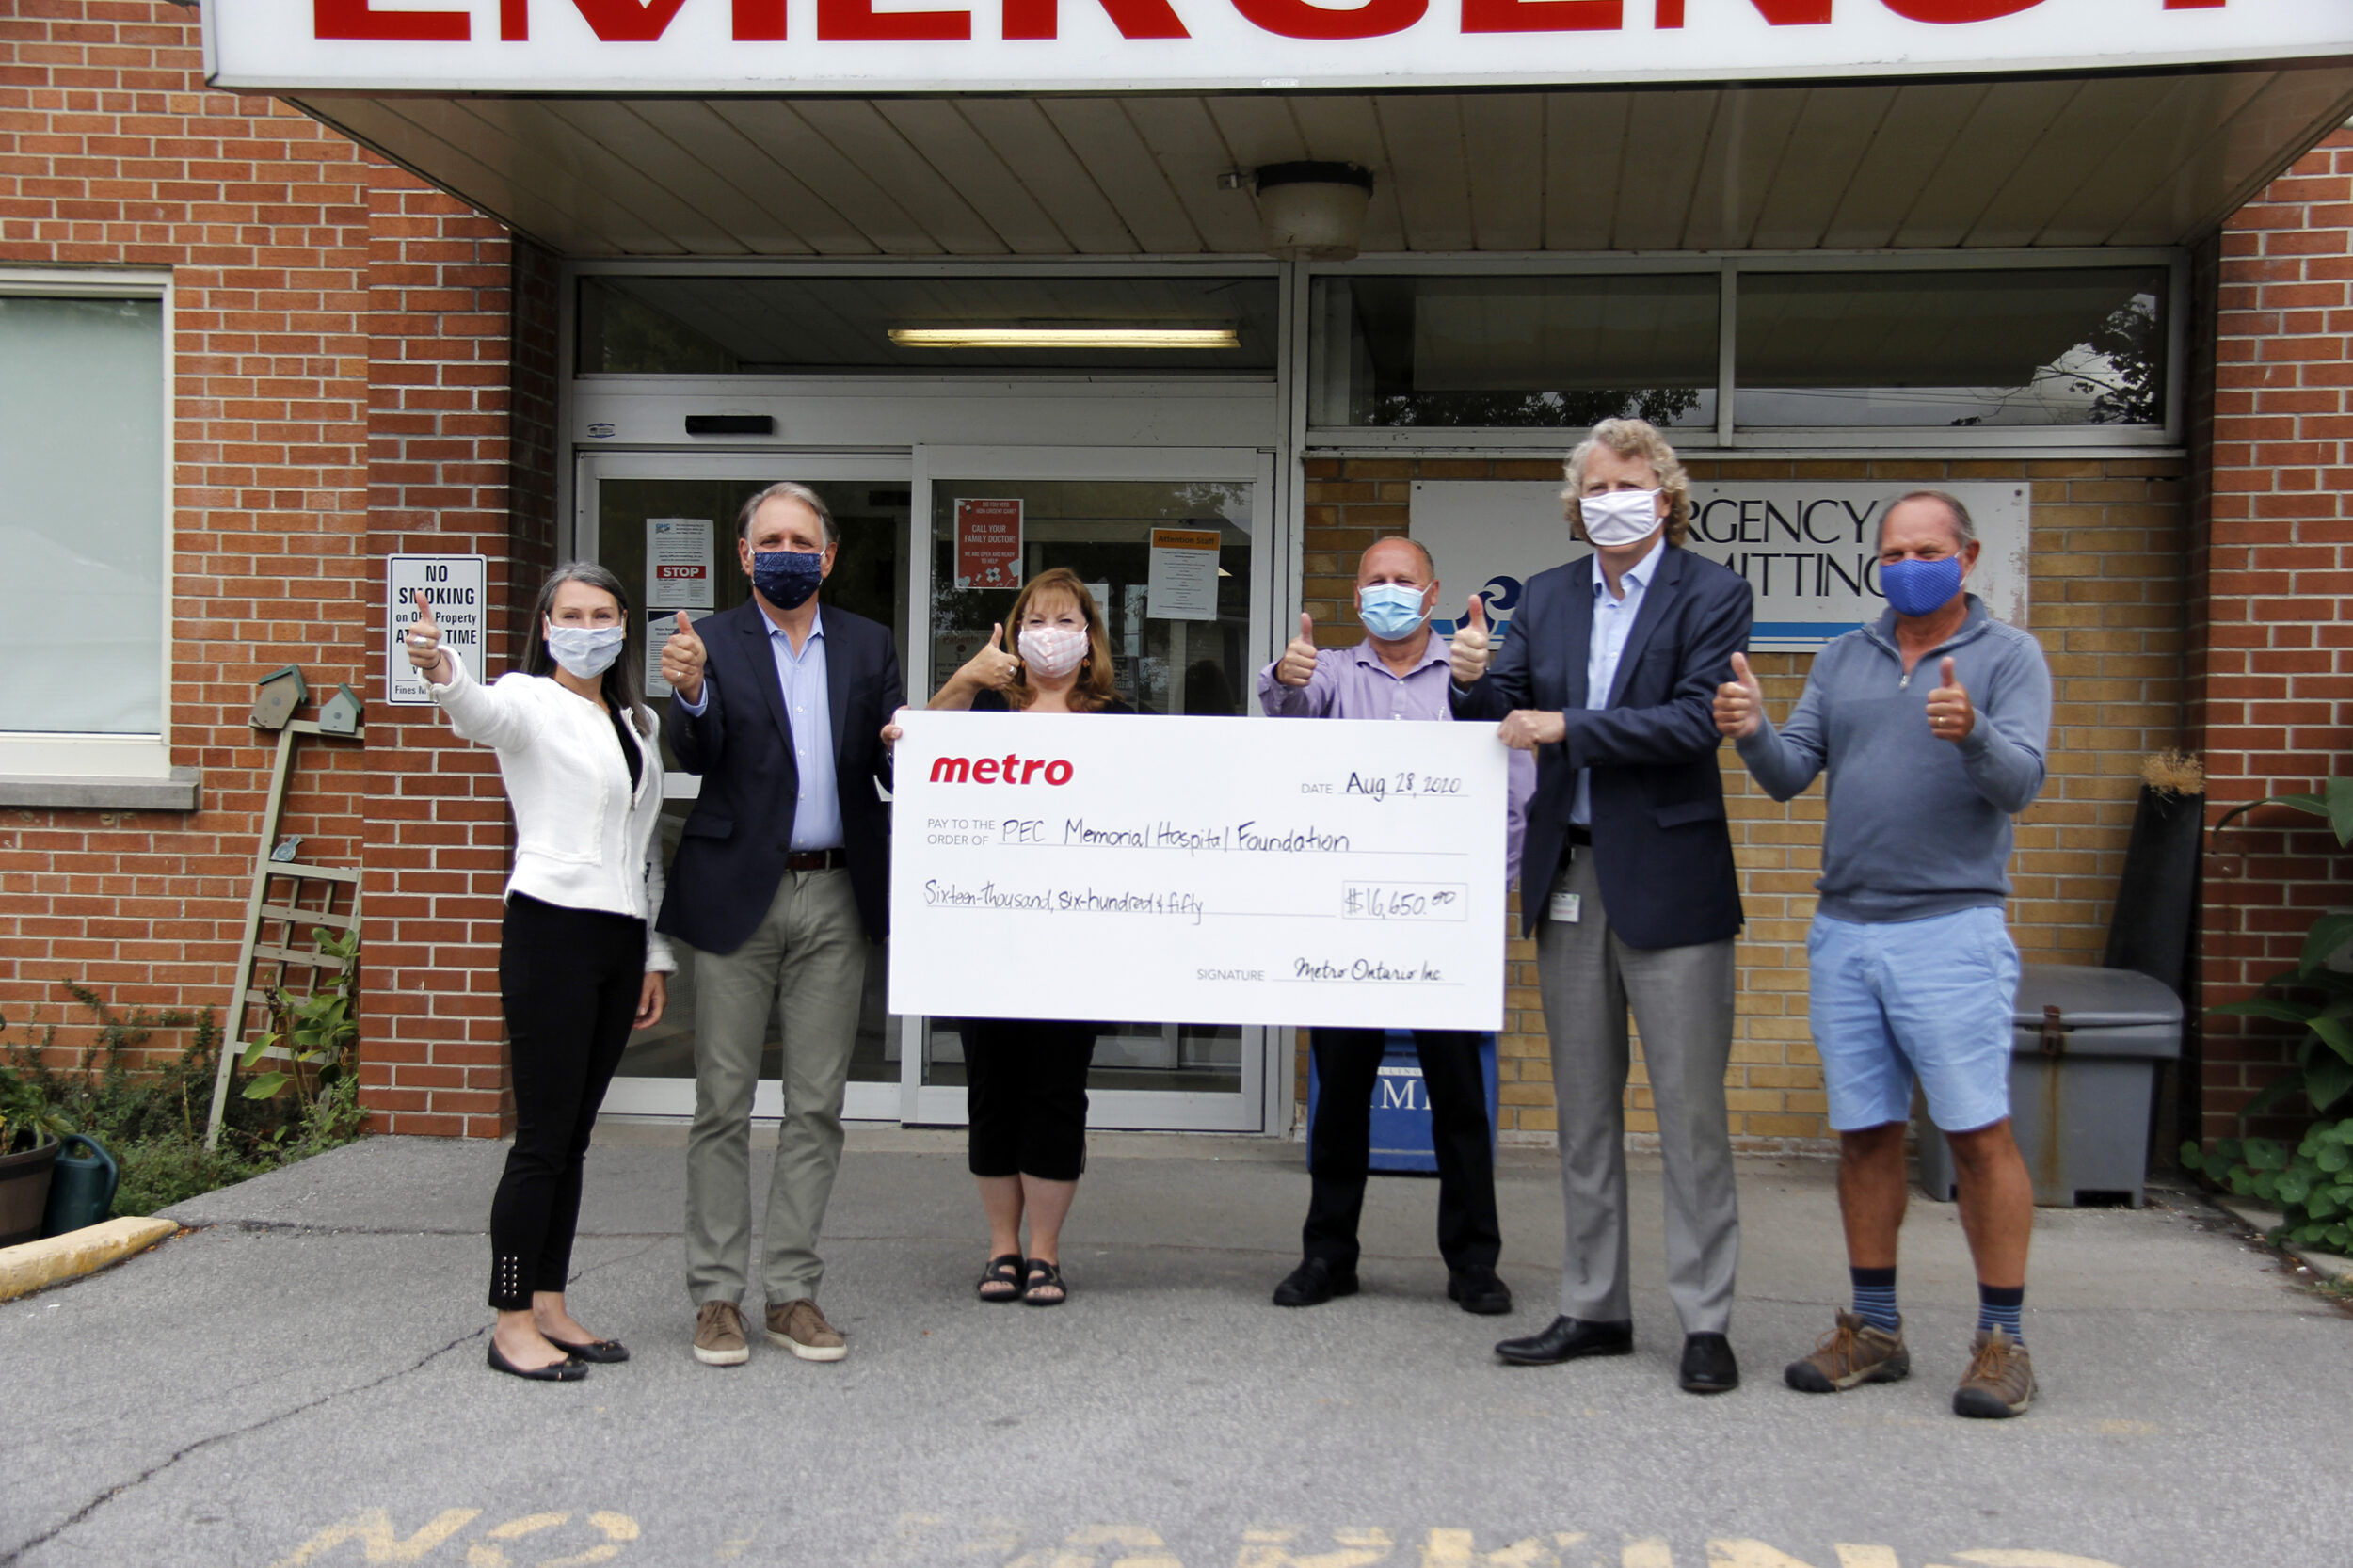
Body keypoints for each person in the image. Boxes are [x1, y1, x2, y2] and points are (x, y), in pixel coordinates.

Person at [1714, 488, 2051, 1419]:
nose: (1907, 565)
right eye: (1892, 552)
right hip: (1847, 932)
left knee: (1978, 1134)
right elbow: (1790, 776)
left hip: (1952, 930)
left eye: (1925, 550)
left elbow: (2021, 783)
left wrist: (1972, 732)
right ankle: (1872, 1329)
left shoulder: (2009, 656)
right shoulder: (1842, 657)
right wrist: (1749, 731)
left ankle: (2003, 1340)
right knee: (1864, 1134)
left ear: (1967, 557)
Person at [1448, 417, 1753, 1395]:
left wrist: (1566, 724)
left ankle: (1704, 1319)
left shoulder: (1712, 591)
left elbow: (1690, 722)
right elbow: (1500, 706)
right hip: (1568, 875)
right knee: (1583, 1113)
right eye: (1593, 486)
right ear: (1573, 504)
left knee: (1690, 1115)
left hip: (1671, 883)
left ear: (1664, 495)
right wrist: (1468, 680)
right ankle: (1593, 1304)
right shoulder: (1543, 595)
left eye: (1628, 483)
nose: (1608, 499)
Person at [408, 566, 675, 1382]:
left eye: (600, 613)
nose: (585, 626)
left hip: (617, 939)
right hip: (550, 934)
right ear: (547, 622)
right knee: (539, 1143)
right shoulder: (529, 700)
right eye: (570, 614)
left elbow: (644, 850)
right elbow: (477, 711)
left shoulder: (638, 722)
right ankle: (511, 1317)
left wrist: (652, 955)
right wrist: (441, 668)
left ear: (625, 623)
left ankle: (553, 1304)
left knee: (575, 1139)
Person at [658, 481, 904, 1368]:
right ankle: (716, 1297)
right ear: (744, 553)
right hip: (736, 894)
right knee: (722, 1103)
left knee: (817, 1105)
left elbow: (886, 762)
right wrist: (687, 697)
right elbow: (698, 752)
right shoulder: (709, 643)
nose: (788, 550)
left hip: (836, 895)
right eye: (772, 538)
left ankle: (793, 1292)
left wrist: (911, 745)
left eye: (804, 538)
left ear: (829, 556)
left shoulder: (870, 645)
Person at [1257, 536, 1531, 1317]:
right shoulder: (1332, 675)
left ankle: (1474, 1262)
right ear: (1354, 599)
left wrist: (1488, 895)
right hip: (1348, 924)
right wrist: (1282, 675)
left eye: (1402, 580)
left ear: (1433, 593)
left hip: (1447, 926)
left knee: (1460, 1099)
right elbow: (1282, 714)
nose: (1389, 591)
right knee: (1340, 1095)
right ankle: (1327, 1256)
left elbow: (1516, 794)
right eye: (1374, 579)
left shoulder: (1476, 677)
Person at [893, 568, 1131, 1307]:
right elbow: (911, 751)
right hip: (984, 943)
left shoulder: (1126, 723)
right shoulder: (984, 716)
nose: (1051, 635)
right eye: (1037, 620)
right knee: (992, 1091)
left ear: (1090, 638)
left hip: (1078, 947)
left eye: (1067, 622)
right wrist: (964, 679)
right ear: (1015, 633)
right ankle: (1001, 1250)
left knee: (1058, 1094)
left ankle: (1046, 1255)